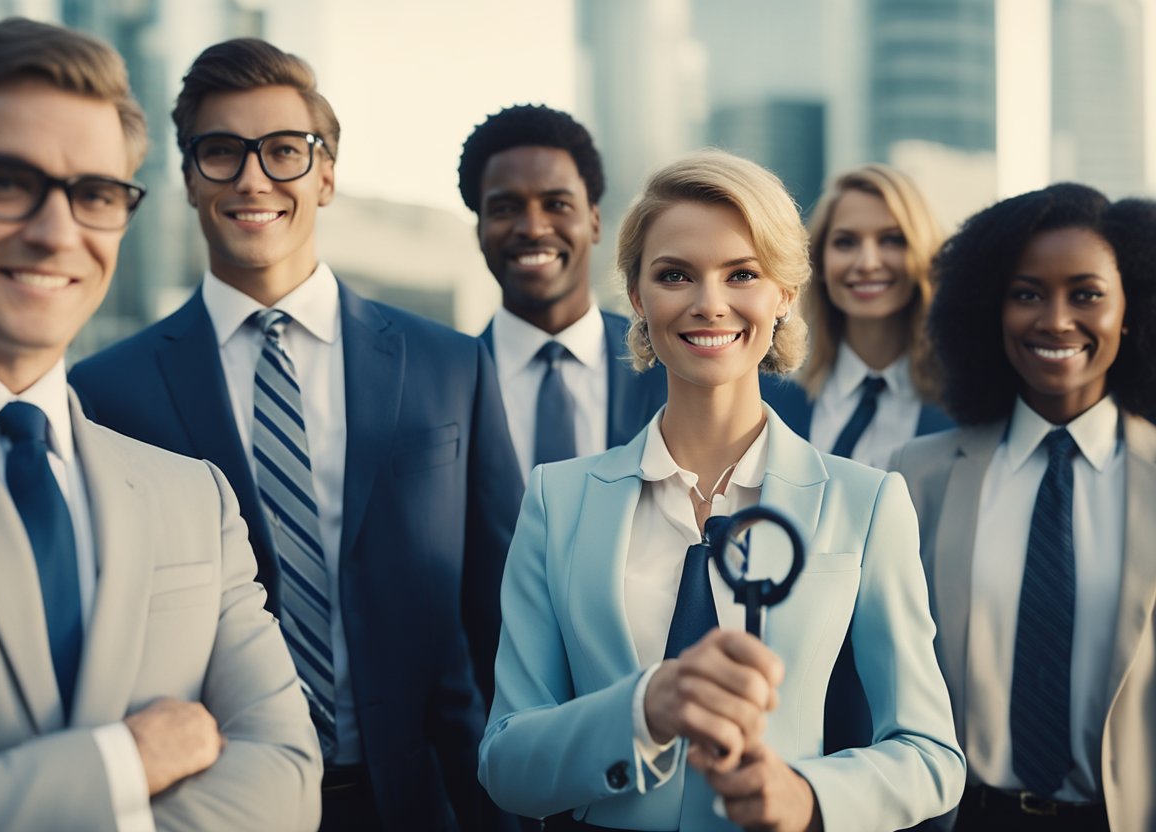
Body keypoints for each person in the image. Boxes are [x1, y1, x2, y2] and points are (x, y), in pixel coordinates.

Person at [70, 37, 521, 831]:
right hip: (212, 806)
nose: (252, 178)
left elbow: (503, 610)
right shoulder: (106, 394)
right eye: (221, 152)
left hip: (426, 800)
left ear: (327, 174)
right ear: (186, 178)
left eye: (284, 151)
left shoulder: (450, 366)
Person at [480, 149, 964, 831]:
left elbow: (931, 755)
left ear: (785, 295)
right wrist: (644, 710)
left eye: (743, 274)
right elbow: (505, 763)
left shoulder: (867, 502)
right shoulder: (558, 502)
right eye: (676, 275)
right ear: (640, 297)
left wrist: (808, 796)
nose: (710, 304)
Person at [0, 18, 320, 831]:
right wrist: (122, 767)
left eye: (95, 195)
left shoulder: (194, 499)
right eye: (6, 181)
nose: (56, 230)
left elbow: (287, 774)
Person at [892, 183, 1156, 832]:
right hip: (961, 818)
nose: (1056, 320)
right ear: (990, 308)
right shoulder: (915, 477)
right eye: (1027, 293)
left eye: (1086, 294)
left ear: (1130, 310)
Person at [458, 104, 667, 482]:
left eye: (556, 204)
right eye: (505, 208)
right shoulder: (446, 385)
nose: (533, 228)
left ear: (594, 221)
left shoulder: (670, 370)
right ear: (479, 231)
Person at [761, 164, 952, 470]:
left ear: (925, 254)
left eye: (892, 240)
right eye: (845, 242)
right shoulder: (769, 395)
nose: (867, 263)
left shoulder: (962, 405)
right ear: (819, 261)